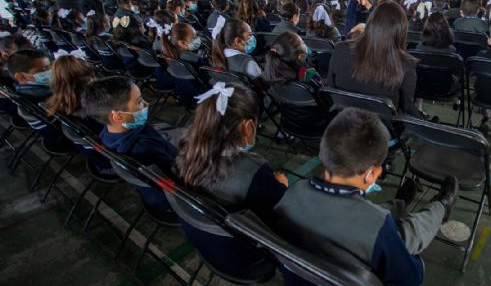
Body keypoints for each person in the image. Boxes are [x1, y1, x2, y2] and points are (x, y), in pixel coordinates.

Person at [274, 107, 459, 286]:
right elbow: (412, 277)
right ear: (371, 174)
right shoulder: (377, 225)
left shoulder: (293, 194)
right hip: (372, 241)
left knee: (379, 221)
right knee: (405, 233)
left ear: (322, 154)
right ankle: (440, 207)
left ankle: (400, 203)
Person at [174, 82, 286, 282]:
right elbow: (279, 211)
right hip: (246, 258)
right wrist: (280, 185)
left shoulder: (185, 150)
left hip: (206, 244)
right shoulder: (253, 171)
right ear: (248, 126)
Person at [81, 76, 177, 210]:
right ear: (118, 116)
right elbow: (178, 178)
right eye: (138, 102)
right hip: (171, 199)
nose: (146, 103)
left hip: (153, 193)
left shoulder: (107, 132)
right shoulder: (144, 148)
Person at [328, 0, 422, 117]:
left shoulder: (340, 49)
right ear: (401, 30)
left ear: (371, 23)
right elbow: (406, 106)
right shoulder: (407, 64)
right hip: (382, 131)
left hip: (345, 123)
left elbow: (330, 89)